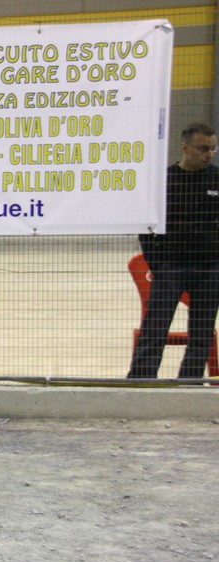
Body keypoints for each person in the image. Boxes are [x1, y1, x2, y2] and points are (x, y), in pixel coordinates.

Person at [128, 122, 219, 379]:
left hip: (210, 269)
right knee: (155, 328)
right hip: (171, 267)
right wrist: (157, 264)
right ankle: (141, 381)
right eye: (203, 148)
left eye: (212, 149)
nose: (208, 154)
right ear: (185, 148)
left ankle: (189, 383)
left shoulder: (216, 178)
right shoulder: (164, 181)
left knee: (201, 334)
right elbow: (147, 225)